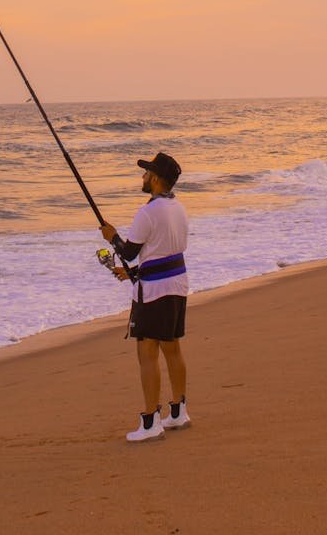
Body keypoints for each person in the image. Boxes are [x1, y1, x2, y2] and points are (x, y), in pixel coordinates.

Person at [100, 152, 190, 442]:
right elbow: (165, 251)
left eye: (147, 173)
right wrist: (135, 273)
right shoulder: (178, 208)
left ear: (155, 179)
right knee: (172, 348)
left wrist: (111, 236)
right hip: (177, 284)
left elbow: (128, 252)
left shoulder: (147, 212)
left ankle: (151, 422)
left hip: (153, 293)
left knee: (147, 354)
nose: (142, 177)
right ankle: (178, 412)